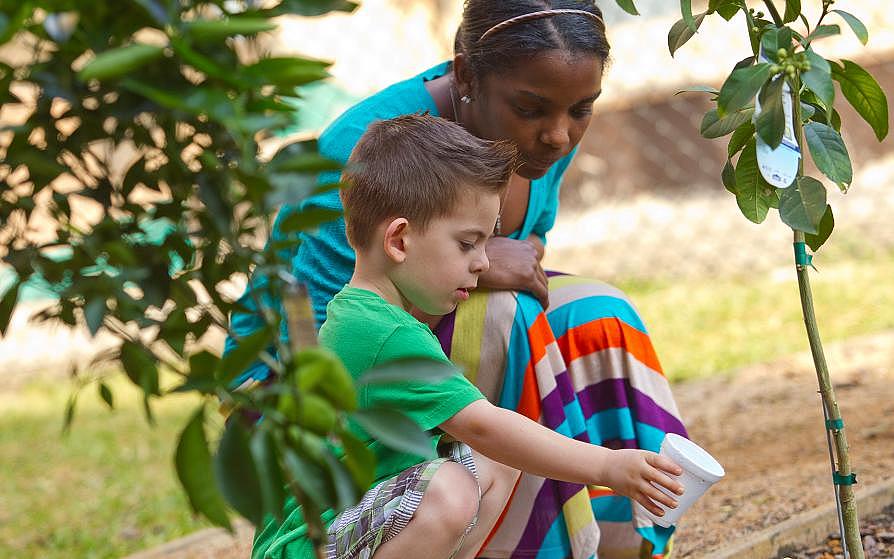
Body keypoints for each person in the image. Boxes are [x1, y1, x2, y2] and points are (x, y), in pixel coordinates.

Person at [232, 2, 690, 557]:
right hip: (297, 402)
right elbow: (309, 326)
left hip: (412, 353)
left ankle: (620, 541)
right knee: (503, 332)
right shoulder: (362, 154)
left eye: (581, 110)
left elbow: (529, 247)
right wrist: (604, 463)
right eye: (533, 109)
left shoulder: (548, 128)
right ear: (468, 76)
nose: (559, 136)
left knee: (600, 312)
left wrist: (491, 256)